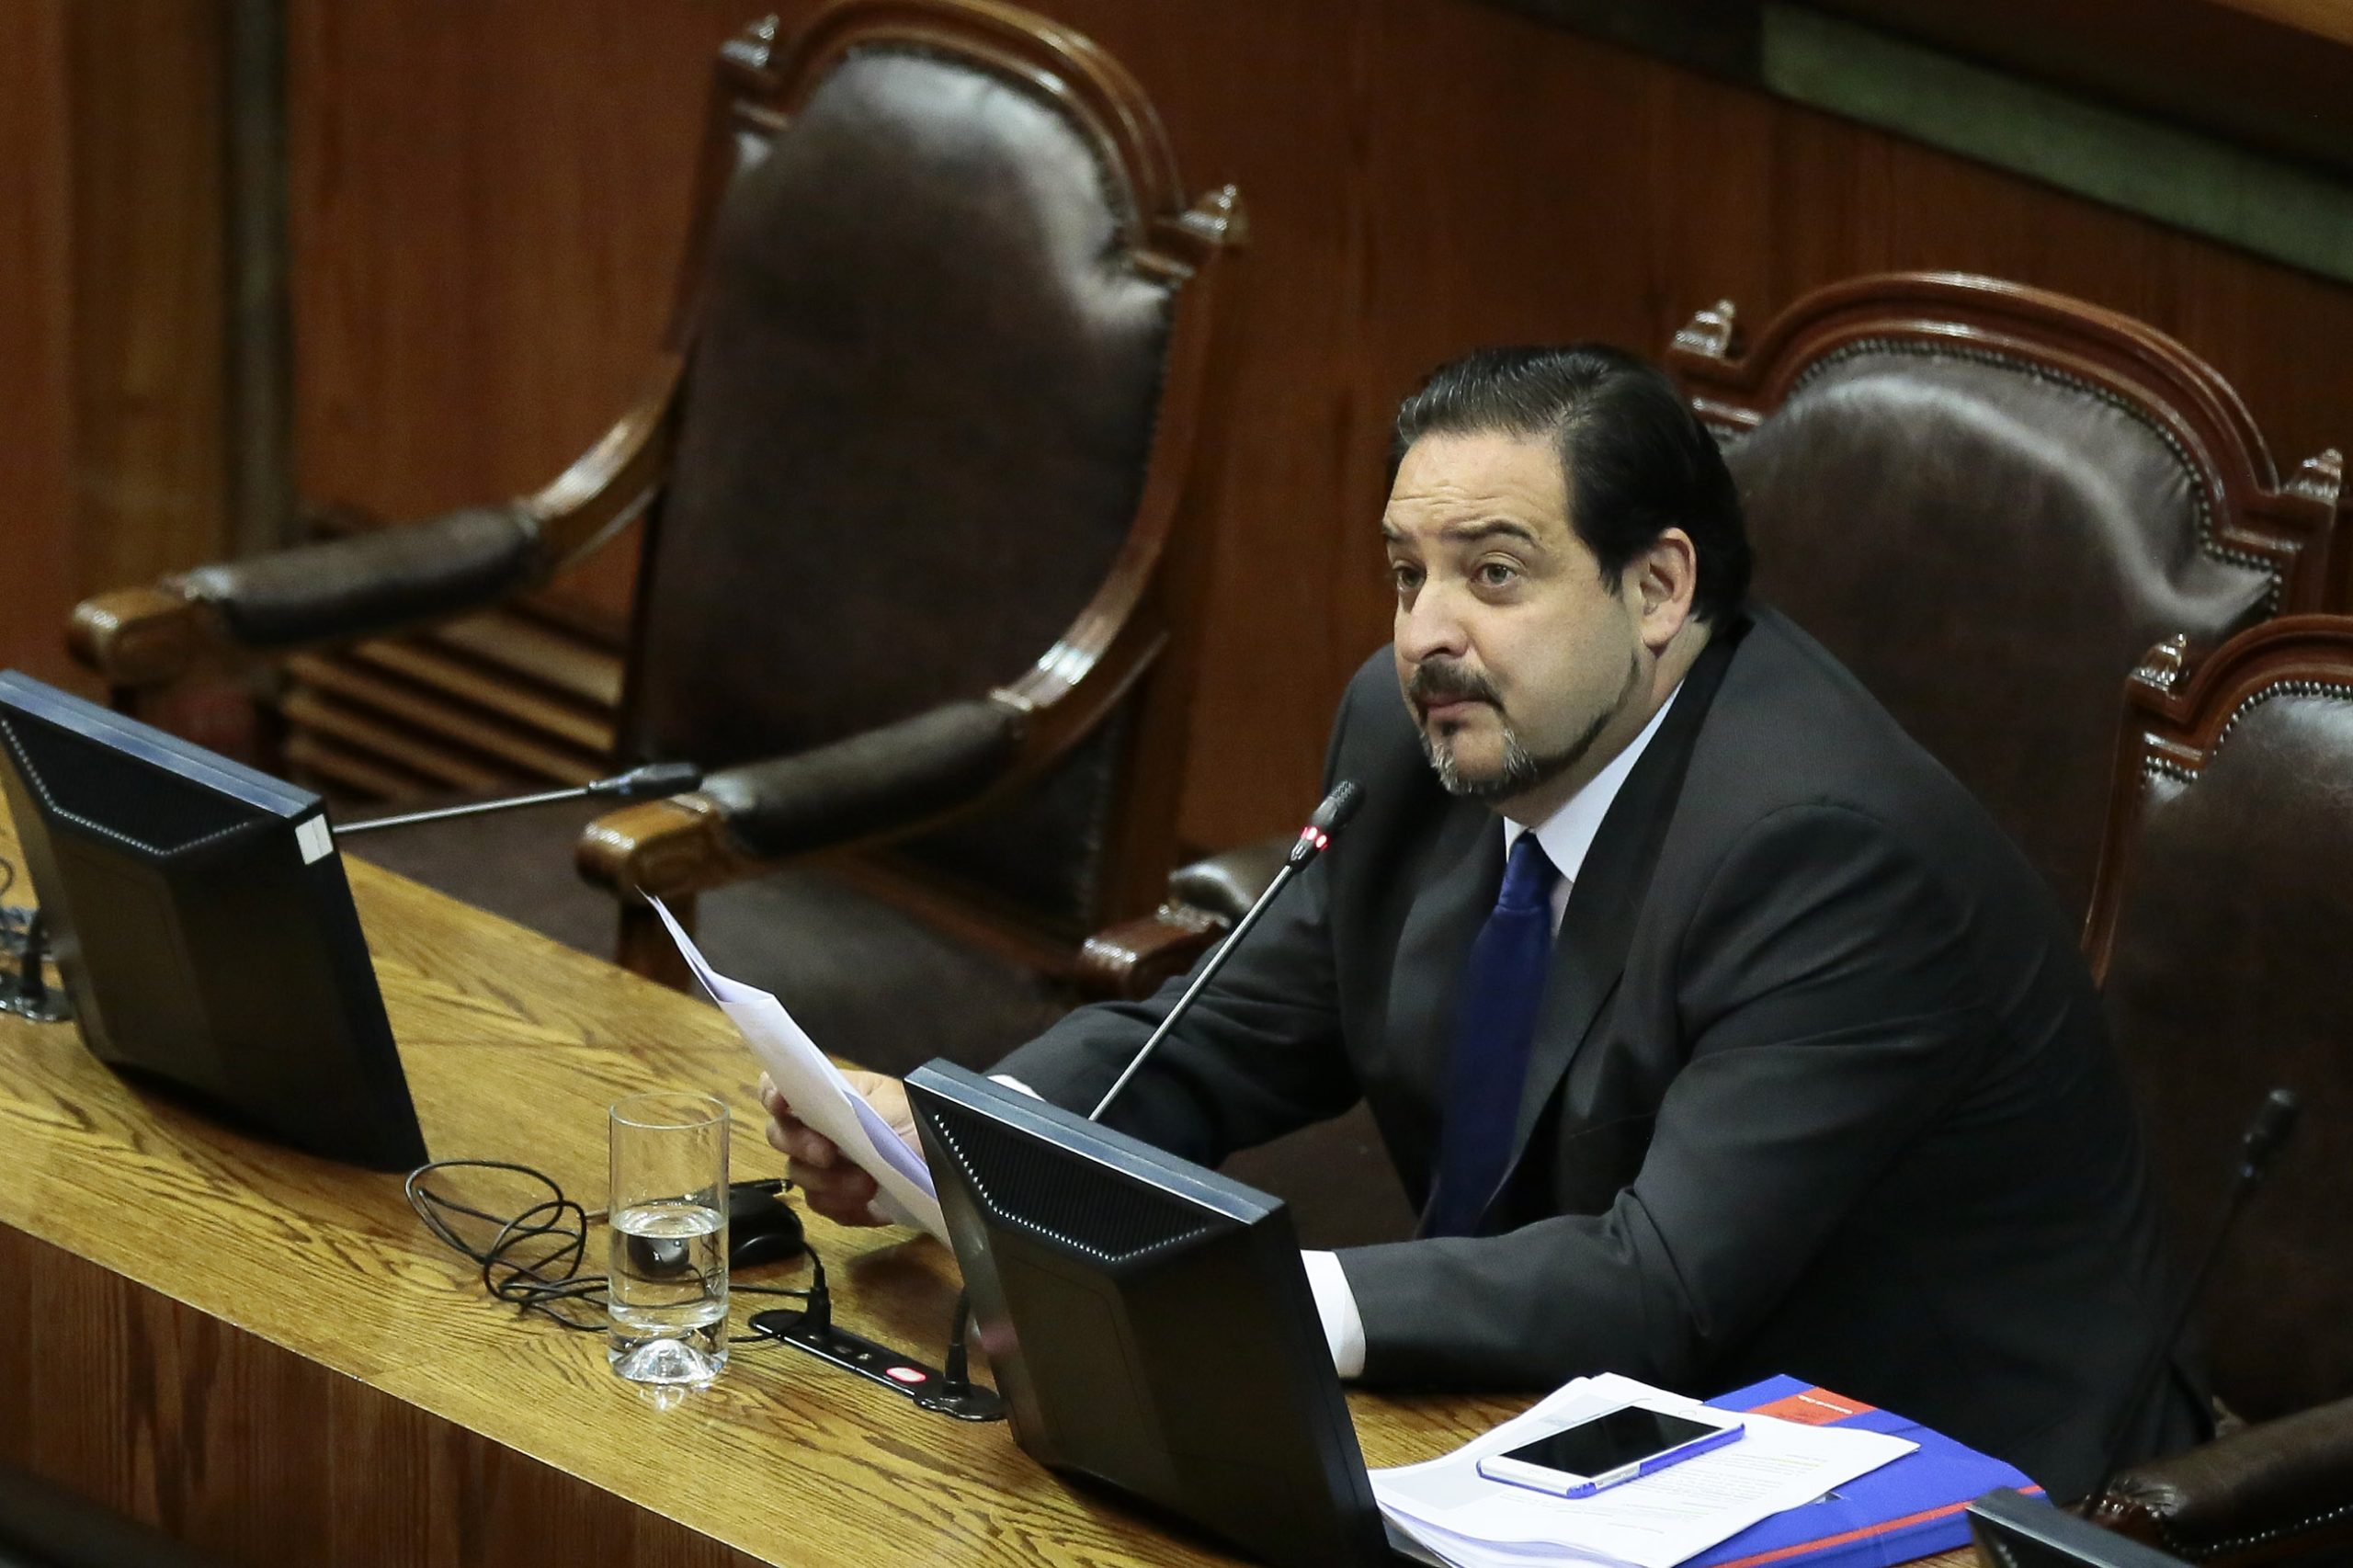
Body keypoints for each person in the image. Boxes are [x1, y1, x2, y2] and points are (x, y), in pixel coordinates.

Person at [761, 344, 2205, 1498]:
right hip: (1572, 1430)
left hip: (1920, 1472)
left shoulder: (1822, 851)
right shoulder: (1421, 738)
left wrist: (1263, 1307)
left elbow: (1659, 1280)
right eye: (1408, 573)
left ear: (1658, 588)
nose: (1424, 633)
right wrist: (949, 1136)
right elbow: (1212, 1042)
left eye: (1494, 573)